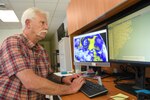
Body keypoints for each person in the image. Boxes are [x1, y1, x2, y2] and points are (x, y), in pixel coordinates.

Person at [0, 7, 85, 100]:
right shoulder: (12, 42)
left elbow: (48, 75)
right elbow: (30, 82)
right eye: (42, 23)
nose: (46, 27)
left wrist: (63, 79)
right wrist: (70, 89)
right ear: (28, 23)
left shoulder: (41, 50)